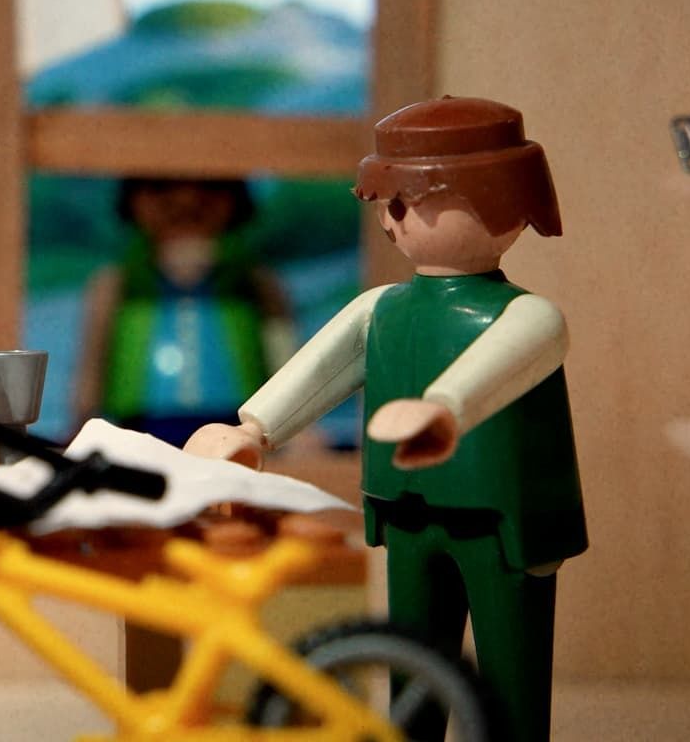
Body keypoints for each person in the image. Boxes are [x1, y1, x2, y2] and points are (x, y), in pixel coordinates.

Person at [185, 97, 585, 742]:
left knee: (510, 672)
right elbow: (320, 368)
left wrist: (444, 408)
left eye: (411, 200)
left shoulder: (527, 315)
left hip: (501, 517)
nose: (393, 217)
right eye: (385, 201)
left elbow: (501, 365)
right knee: (411, 661)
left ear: (504, 202)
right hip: (407, 510)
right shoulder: (382, 308)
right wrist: (254, 430)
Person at [74, 177, 296, 447]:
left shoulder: (256, 283)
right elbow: (92, 368)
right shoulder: (116, 284)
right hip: (140, 431)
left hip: (239, 433)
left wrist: (297, 428)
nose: (186, 200)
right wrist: (81, 425)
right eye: (160, 187)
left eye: (210, 186)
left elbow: (285, 360)